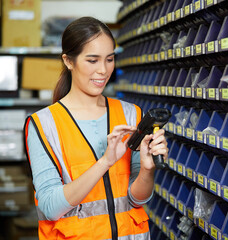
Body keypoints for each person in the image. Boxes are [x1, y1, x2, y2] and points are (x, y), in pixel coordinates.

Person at [23, 16, 168, 240]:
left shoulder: (131, 113)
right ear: (69, 61)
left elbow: (138, 199)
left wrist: (148, 170)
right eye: (92, 60)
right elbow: (51, 207)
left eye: (109, 59)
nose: (103, 70)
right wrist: (105, 162)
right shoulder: (43, 124)